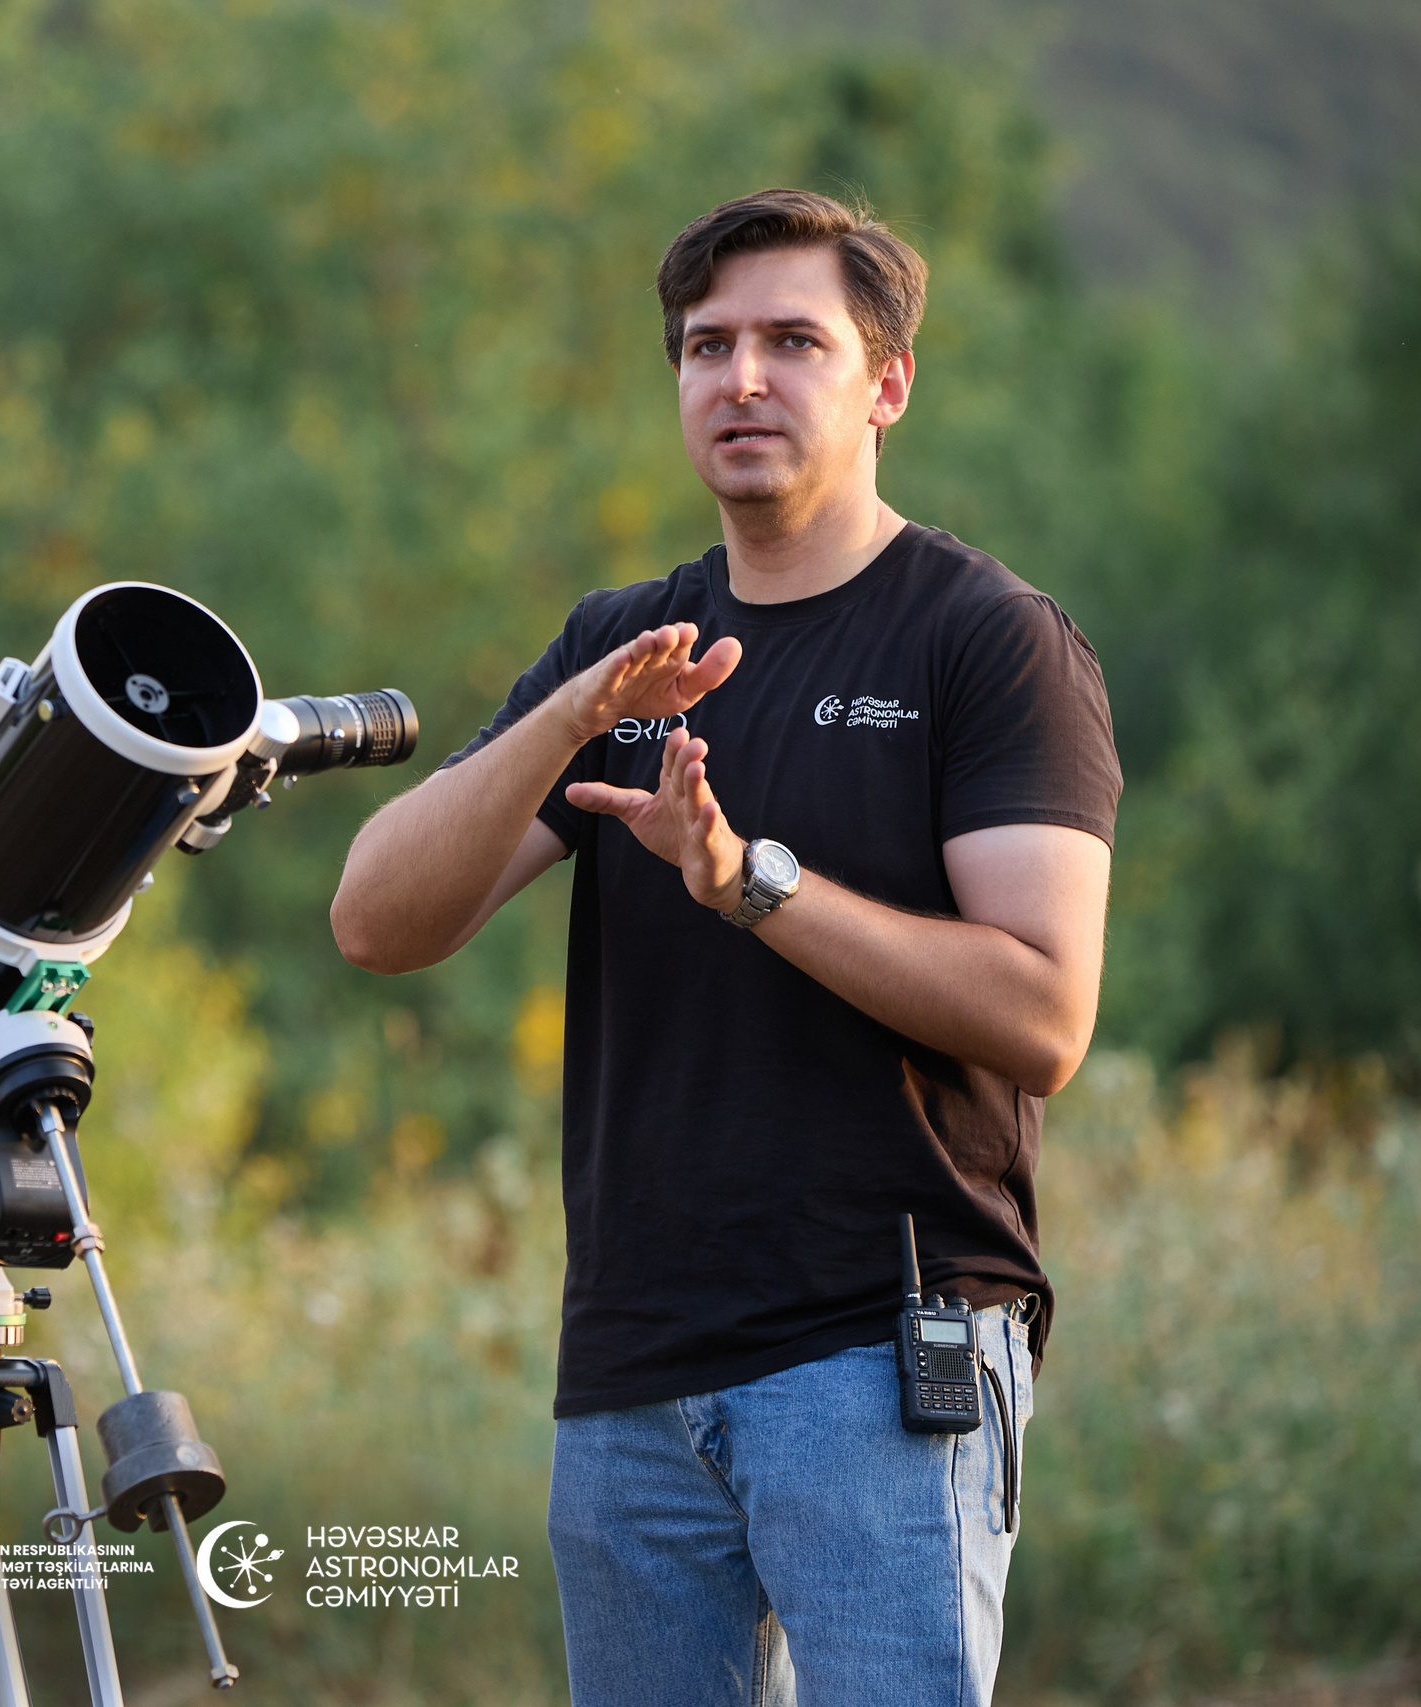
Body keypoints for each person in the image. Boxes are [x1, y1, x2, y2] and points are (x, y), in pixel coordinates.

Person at [329, 189, 1122, 1704]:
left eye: (791, 341)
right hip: (630, 1371)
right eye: (707, 346)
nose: (741, 376)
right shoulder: (624, 647)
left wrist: (750, 879)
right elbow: (377, 917)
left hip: (882, 1355)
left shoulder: (987, 639)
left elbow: (1043, 1014)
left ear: (886, 382)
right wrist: (576, 711)